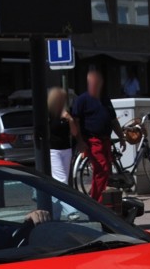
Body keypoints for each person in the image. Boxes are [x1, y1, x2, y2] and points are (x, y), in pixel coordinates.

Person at [71, 67, 123, 202]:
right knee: (102, 168)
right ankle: (98, 201)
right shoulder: (82, 100)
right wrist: (80, 141)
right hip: (92, 139)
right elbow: (75, 121)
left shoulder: (105, 99)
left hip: (106, 139)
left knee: (104, 171)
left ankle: (98, 198)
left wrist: (121, 137)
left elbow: (113, 120)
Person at [46, 87, 74, 185]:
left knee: (64, 178)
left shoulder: (66, 113)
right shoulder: (49, 114)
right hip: (54, 150)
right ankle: (63, 200)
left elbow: (74, 133)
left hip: (66, 149)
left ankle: (60, 199)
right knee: (61, 180)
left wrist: (70, 119)